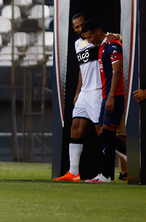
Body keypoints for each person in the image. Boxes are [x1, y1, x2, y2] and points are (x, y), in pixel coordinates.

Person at [53, 14, 106, 182]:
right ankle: (73, 173)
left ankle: (123, 165)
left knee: (103, 133)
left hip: (98, 91)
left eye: (81, 25)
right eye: (76, 27)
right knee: (75, 128)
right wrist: (78, 92)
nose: (79, 29)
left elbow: (114, 39)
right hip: (84, 93)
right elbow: (82, 70)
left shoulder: (103, 39)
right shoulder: (78, 44)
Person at [81, 20, 127, 183]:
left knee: (107, 133)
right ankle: (132, 156)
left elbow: (117, 72)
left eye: (91, 36)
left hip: (115, 95)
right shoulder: (102, 45)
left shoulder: (113, 46)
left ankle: (106, 175)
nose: (89, 40)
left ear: (99, 32)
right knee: (102, 132)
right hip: (106, 95)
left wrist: (112, 96)